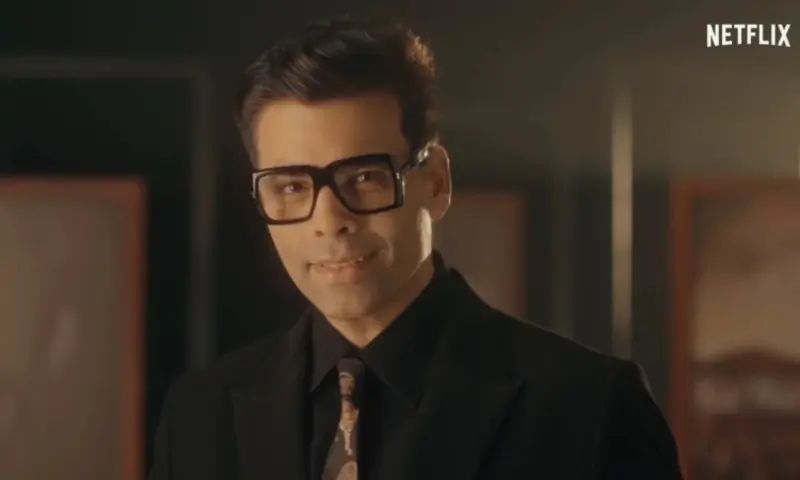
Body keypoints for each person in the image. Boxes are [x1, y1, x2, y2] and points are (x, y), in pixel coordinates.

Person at [148, 15, 683, 480]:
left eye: (364, 178)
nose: (329, 222)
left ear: (436, 181)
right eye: (291, 187)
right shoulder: (200, 414)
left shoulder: (588, 408)